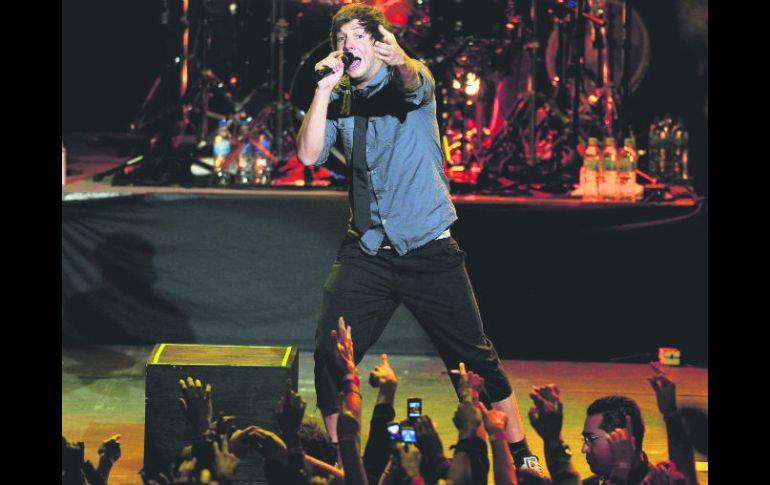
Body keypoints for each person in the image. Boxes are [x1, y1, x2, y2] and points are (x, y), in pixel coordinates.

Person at [296, 3, 541, 473]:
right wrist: (323, 91)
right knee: (330, 351)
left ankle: (521, 454)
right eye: (342, 38)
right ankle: (344, 462)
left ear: (378, 44)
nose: (349, 45)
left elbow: (413, 81)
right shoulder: (339, 96)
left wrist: (401, 59)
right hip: (367, 250)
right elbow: (308, 156)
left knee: (471, 359)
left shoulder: (411, 80)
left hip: (428, 245)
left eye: (359, 36)